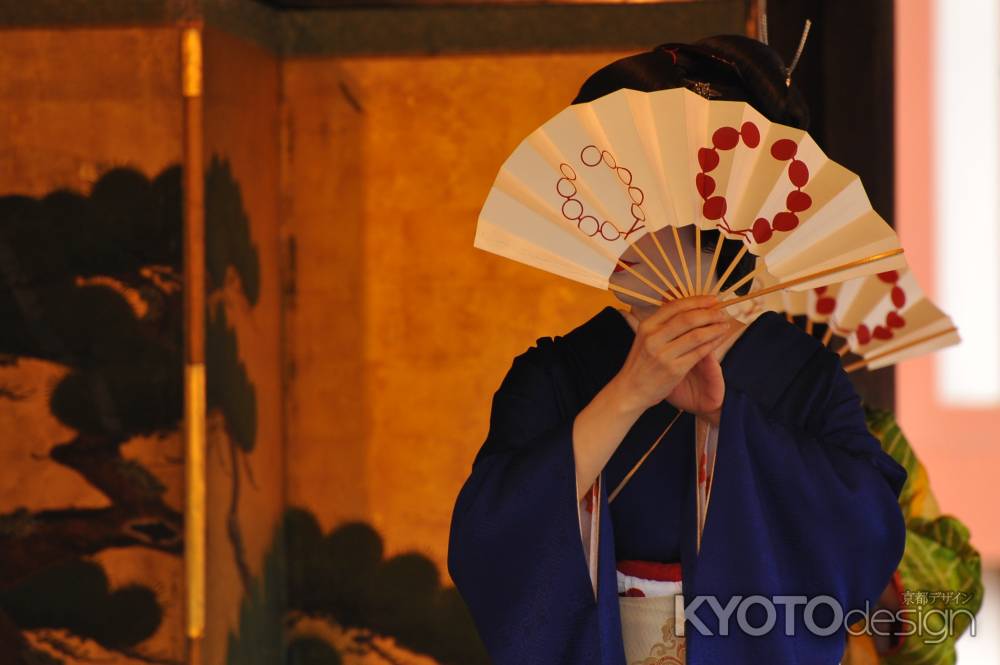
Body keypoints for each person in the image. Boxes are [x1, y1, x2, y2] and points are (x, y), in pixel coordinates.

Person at [448, 35, 907, 665]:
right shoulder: (556, 374)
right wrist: (627, 395)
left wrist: (728, 420)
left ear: (720, 219)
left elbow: (867, 534)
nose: (613, 224)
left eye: (640, 201)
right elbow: (488, 543)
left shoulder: (802, 379)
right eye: (604, 199)